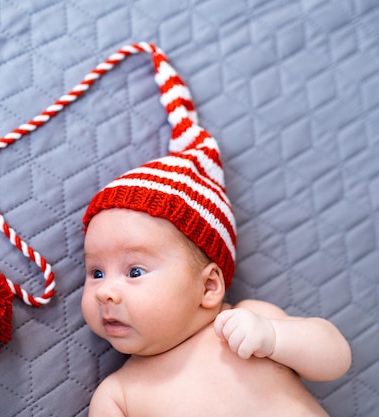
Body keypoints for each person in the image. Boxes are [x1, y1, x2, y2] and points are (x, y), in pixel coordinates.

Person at [79, 44, 351, 416]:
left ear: (208, 287)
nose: (105, 292)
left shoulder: (251, 320)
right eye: (95, 272)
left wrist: (272, 338)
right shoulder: (118, 395)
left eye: (135, 271)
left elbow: (336, 358)